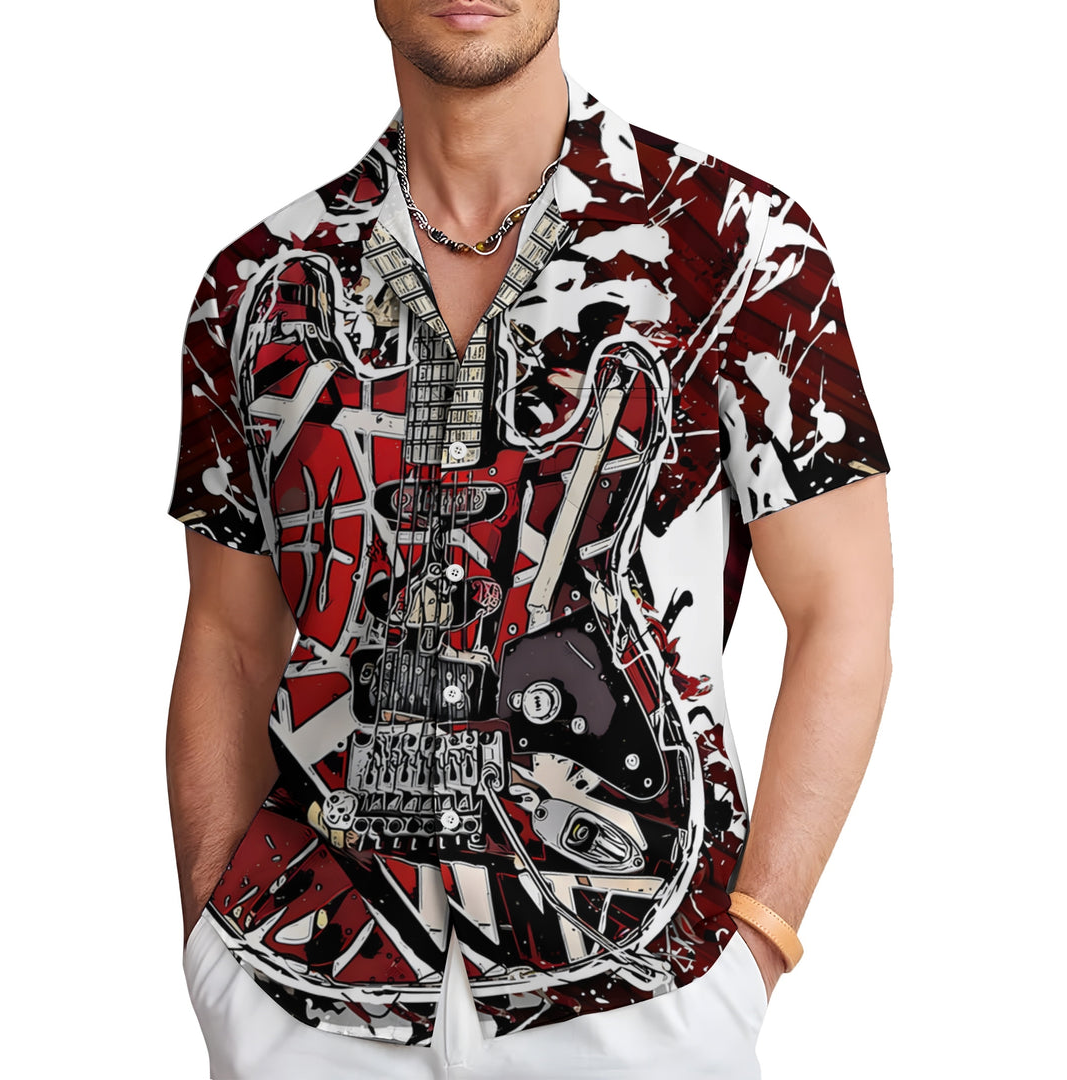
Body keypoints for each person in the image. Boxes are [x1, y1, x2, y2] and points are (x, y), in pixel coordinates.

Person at [165, 2, 894, 1077]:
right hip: (308, 986)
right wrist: (214, 946)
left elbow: (845, 612)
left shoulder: (740, 249)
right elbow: (228, 637)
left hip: (637, 987)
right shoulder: (257, 286)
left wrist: (757, 944)